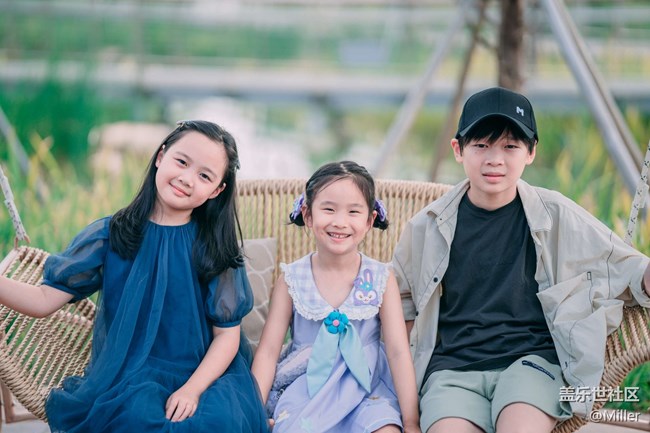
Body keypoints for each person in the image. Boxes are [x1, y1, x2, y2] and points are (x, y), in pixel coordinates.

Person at [393, 86, 650, 433]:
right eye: (481, 145)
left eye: (510, 146)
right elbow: (400, 305)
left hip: (532, 364)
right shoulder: (426, 227)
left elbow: (627, 268)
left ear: (531, 152)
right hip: (452, 371)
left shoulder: (555, 214)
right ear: (458, 150)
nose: (495, 159)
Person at [0, 120, 270, 433]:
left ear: (217, 190)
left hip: (205, 376)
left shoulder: (214, 250)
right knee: (136, 417)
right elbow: (44, 300)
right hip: (132, 377)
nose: (186, 179)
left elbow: (226, 337)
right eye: (182, 162)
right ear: (161, 157)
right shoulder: (111, 235)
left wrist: (192, 390)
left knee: (217, 422)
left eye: (204, 176)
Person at [252, 161, 421, 433]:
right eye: (328, 209)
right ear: (308, 215)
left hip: (367, 388)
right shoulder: (292, 279)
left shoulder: (381, 278)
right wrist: (253, 411)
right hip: (308, 386)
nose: (340, 222)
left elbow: (398, 352)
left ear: (369, 221)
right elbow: (268, 352)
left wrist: (411, 421)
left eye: (353, 211)